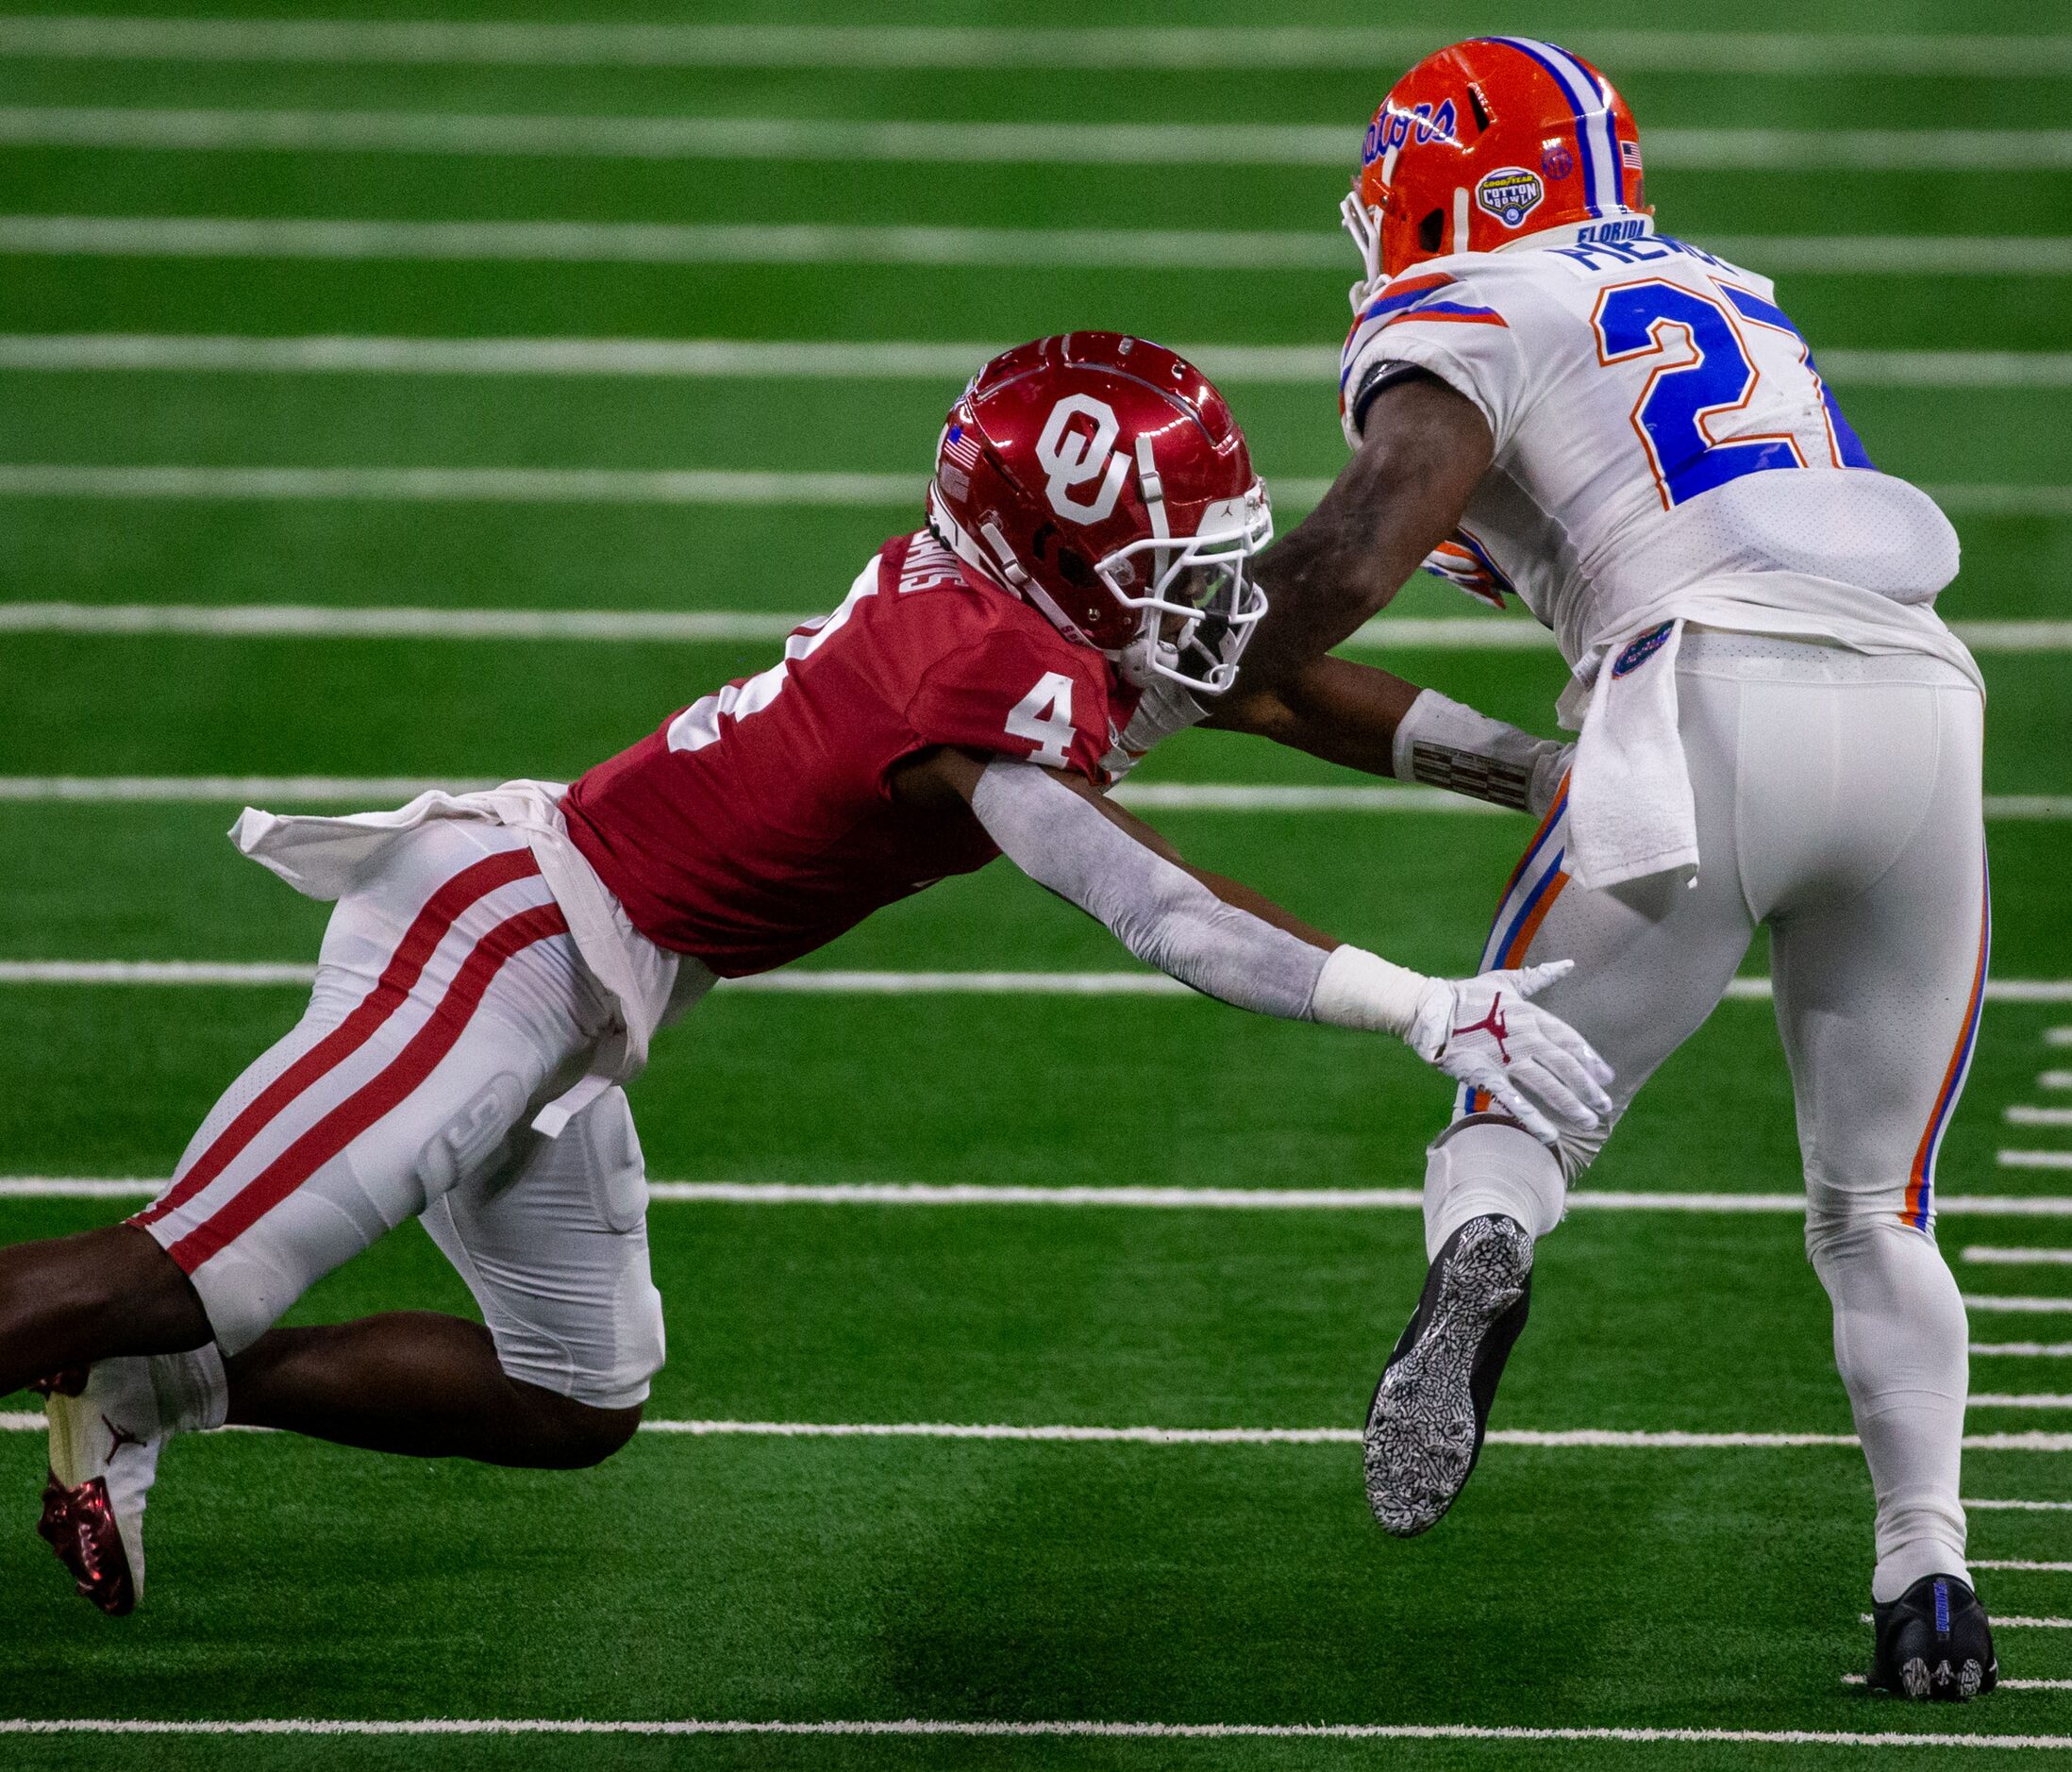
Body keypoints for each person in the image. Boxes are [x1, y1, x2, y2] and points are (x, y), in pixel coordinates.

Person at [5, 332, 1611, 1617]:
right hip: (498, 939)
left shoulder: (1022, 609)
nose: (1207, 595)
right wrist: (1424, 1002)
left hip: (586, 995)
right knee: (187, 1261)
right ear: (1060, 556)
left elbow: (1276, 687)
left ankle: (152, 1395)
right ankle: (150, 1334)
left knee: (574, 1392)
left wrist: (1531, 772)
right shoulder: (966, 682)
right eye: (1166, 560)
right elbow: (1152, 906)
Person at [1241, 38, 1997, 1702]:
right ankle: (1928, 1577)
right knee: (1878, 1207)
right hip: (1923, 706)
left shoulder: (1478, 303)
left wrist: (1205, 635)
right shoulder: (1724, 285)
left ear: (1449, 182)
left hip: (1704, 695)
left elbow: (1366, 547)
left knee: (1517, 1104)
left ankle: (1487, 1247)